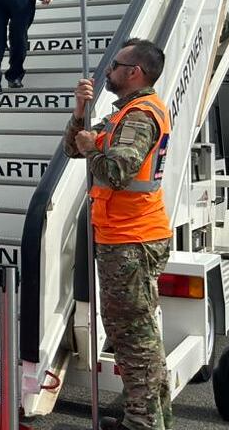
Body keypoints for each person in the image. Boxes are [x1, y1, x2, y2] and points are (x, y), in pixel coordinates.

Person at [64, 38, 172, 430]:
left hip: (131, 239)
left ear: (134, 72)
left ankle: (141, 423)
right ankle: (151, 418)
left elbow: (115, 172)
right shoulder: (123, 113)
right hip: (124, 237)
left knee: (133, 338)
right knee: (137, 334)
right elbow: (73, 149)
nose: (108, 70)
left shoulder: (139, 117)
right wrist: (80, 114)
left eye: (115, 65)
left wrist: (92, 149)